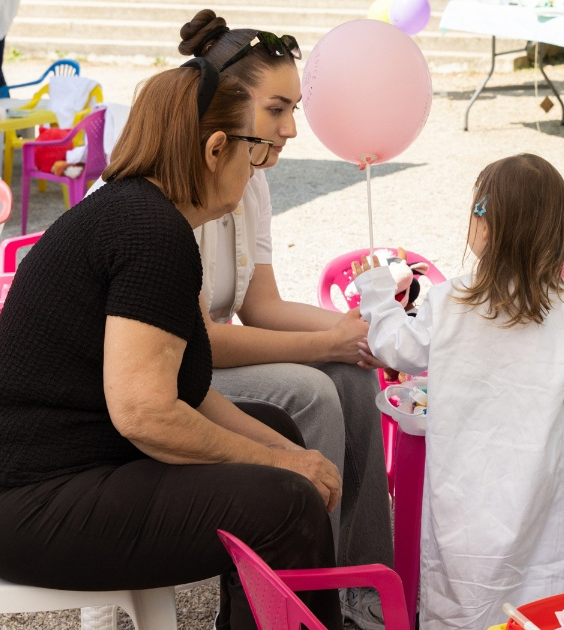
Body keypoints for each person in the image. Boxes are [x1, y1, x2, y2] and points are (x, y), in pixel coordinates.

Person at [0, 61, 344, 630]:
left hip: (36, 477)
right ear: (216, 149)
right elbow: (145, 414)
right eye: (252, 153)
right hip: (18, 500)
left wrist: (285, 453)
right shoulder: (152, 233)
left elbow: (183, 394)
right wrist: (282, 466)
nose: (255, 171)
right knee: (286, 505)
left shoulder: (138, 212)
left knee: (276, 430)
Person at [172, 12, 394, 626]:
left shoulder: (251, 177)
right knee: (313, 390)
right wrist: (325, 343)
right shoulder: (180, 181)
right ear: (227, 107)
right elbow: (198, 342)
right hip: (170, 373)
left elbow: (260, 305)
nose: (292, 128)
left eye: (293, 109)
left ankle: (366, 593)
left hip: (207, 356)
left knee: (354, 374)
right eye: (278, 109)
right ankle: (305, 602)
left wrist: (352, 330)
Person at [353, 154, 564, 630]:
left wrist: (375, 294)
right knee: (538, 573)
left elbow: (397, 348)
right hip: (534, 475)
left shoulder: (449, 299)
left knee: (459, 575)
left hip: (463, 475)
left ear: (484, 226)